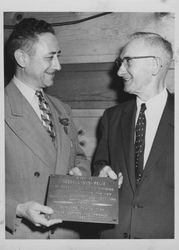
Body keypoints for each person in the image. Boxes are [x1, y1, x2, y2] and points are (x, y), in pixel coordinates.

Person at [5, 17, 91, 239]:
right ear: (22, 58)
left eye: (58, 56)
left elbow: (79, 158)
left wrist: (79, 174)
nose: (58, 66)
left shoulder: (62, 109)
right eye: (49, 58)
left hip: (66, 235)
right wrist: (18, 209)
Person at [93, 32, 174, 239]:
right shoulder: (112, 117)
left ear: (155, 65)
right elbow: (100, 162)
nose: (120, 71)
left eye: (127, 61)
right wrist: (103, 172)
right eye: (120, 62)